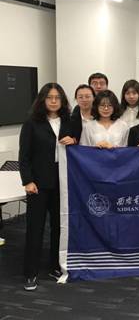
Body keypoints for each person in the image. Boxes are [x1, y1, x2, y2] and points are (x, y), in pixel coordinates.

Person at [18, 83, 76, 291]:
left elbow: (76, 146)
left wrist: (73, 140)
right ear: (42, 100)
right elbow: (24, 156)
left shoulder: (68, 121)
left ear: (62, 100)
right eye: (49, 97)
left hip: (62, 183)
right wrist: (27, 181)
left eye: (57, 97)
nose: (53, 101)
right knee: (35, 228)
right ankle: (30, 273)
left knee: (59, 228)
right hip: (38, 184)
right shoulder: (32, 123)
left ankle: (55, 266)